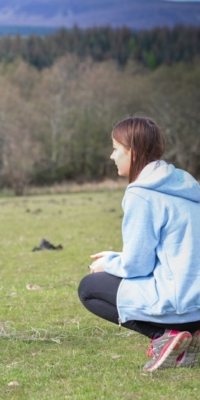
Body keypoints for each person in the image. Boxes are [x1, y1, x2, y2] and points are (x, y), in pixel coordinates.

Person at [78, 116, 200, 372]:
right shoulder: (185, 183)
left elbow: (138, 266)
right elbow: (174, 247)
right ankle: (189, 335)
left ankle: (162, 334)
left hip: (178, 301)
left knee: (89, 287)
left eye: (115, 149)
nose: (112, 156)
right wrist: (116, 255)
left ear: (131, 152)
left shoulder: (140, 194)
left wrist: (108, 264)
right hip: (196, 302)